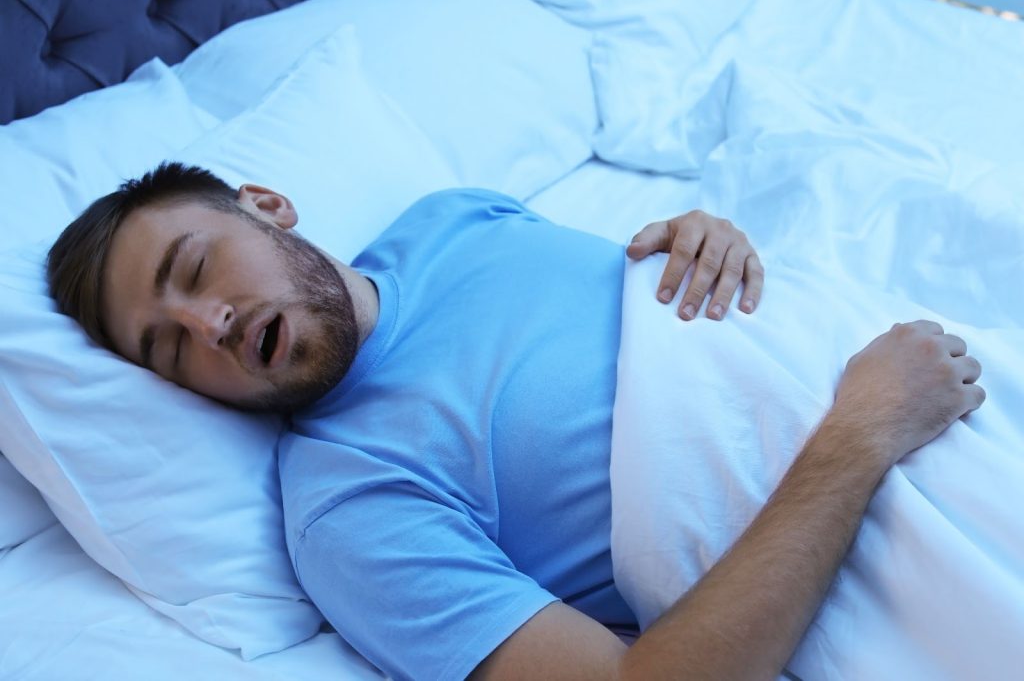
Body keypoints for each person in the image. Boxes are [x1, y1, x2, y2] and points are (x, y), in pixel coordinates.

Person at [47, 162, 984, 680]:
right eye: (170, 352)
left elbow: (633, 319)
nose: (207, 325)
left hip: (932, 371)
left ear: (267, 206)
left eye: (198, 270)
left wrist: (714, 240)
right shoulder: (349, 505)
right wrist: (863, 431)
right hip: (893, 493)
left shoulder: (453, 216)